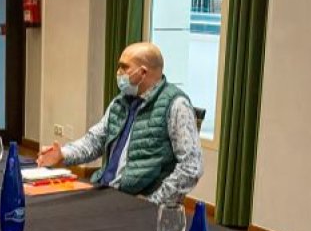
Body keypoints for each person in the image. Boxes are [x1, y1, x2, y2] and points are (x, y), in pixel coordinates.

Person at [36, 42, 203, 205]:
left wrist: (153, 203)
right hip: (105, 189)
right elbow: (94, 141)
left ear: (143, 72)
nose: (119, 73)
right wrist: (63, 154)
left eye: (124, 67)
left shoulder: (176, 105)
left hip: (136, 201)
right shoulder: (121, 101)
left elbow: (191, 167)